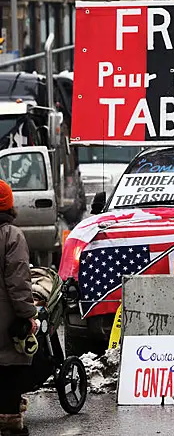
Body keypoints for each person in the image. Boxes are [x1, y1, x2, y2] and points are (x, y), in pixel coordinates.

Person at [0, 180, 37, 436]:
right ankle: (10, 422)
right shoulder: (11, 236)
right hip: (4, 319)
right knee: (8, 371)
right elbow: (18, 282)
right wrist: (28, 315)